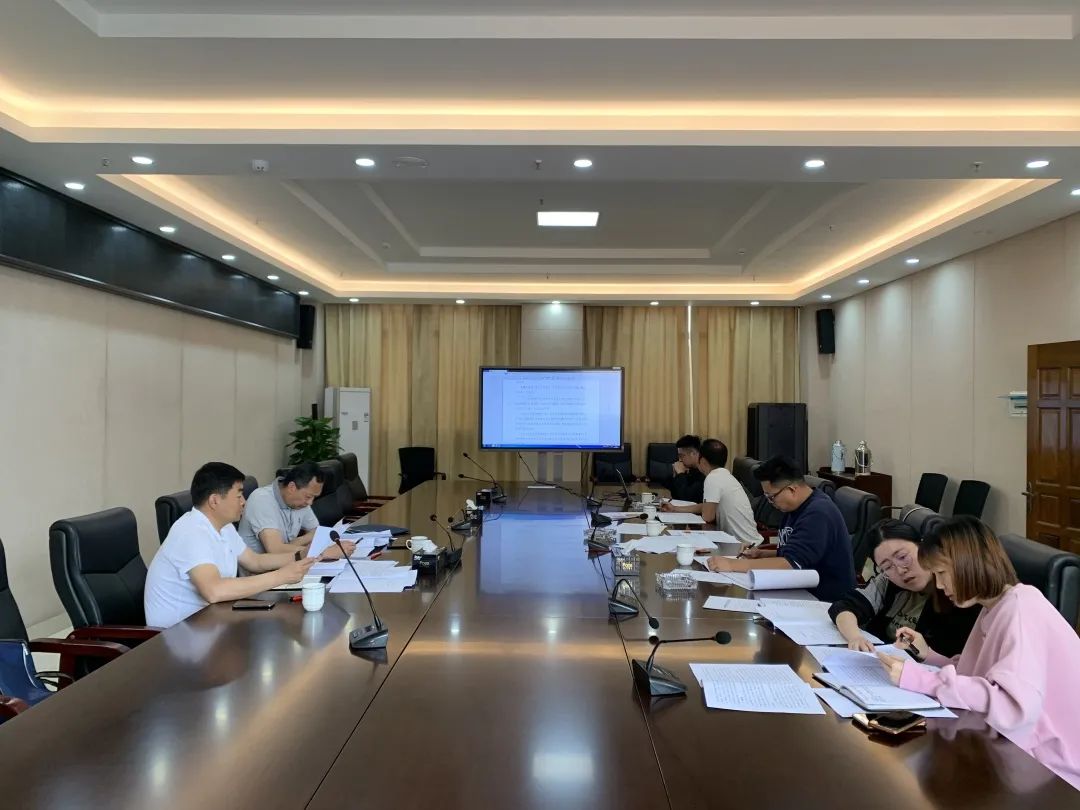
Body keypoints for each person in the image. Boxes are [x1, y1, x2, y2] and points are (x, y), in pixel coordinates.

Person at [877, 516, 1080, 790]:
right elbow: (977, 675)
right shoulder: (994, 607)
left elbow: (1012, 705)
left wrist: (923, 679)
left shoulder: (1021, 610)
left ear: (967, 563)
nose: (939, 586)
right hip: (1017, 753)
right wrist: (929, 656)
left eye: (942, 573)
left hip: (1051, 770)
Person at [145, 462, 320, 629]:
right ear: (214, 501)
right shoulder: (190, 532)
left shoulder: (224, 527)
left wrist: (302, 555)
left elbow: (255, 561)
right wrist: (281, 577)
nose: (244, 501)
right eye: (238, 496)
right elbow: (214, 591)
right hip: (179, 635)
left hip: (213, 621)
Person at [706, 455, 855, 602]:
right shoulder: (794, 507)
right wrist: (762, 554)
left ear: (792, 489)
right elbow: (795, 552)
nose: (770, 503)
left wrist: (732, 564)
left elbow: (790, 564)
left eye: (771, 497)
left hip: (824, 602)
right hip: (798, 591)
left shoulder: (818, 513)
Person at [829, 519, 979, 655]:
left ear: (922, 546)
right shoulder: (887, 581)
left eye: (902, 557)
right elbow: (844, 607)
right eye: (887, 567)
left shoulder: (955, 593)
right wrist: (855, 637)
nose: (900, 571)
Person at [237, 462, 353, 561]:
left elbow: (316, 531)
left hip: (289, 565)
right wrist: (321, 552)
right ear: (292, 487)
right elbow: (275, 549)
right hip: (262, 574)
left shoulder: (299, 502)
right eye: (308, 496)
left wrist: (297, 542)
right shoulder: (261, 499)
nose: (310, 502)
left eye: (314, 497)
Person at [662, 438, 761, 546]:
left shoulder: (712, 478)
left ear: (703, 460)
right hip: (743, 541)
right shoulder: (724, 475)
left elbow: (708, 517)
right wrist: (675, 508)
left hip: (745, 546)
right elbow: (705, 506)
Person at [668, 434, 705, 503]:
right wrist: (676, 476)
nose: (680, 460)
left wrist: (680, 474)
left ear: (693, 454)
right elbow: (676, 497)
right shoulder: (690, 470)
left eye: (681, 456)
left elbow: (687, 499)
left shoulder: (703, 473)